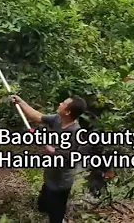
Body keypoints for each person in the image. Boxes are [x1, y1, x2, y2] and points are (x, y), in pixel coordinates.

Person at [10, 95, 87, 223]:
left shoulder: (74, 132)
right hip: (50, 175)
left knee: (55, 214)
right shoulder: (58, 119)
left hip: (61, 182)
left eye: (63, 103)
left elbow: (59, 157)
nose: (60, 103)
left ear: (67, 112)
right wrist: (21, 102)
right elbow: (37, 116)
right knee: (43, 205)